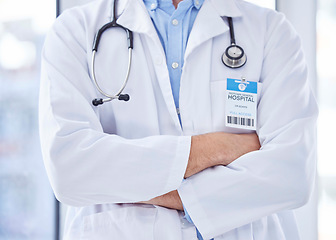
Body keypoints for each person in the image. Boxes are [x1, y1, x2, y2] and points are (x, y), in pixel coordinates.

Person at [38, 0, 318, 239]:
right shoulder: (74, 32)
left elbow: (290, 174)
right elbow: (71, 170)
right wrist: (219, 147)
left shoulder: (271, 31)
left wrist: (126, 184)